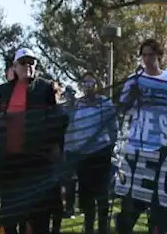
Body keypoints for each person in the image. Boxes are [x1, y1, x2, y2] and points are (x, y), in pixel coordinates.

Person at [0, 49, 68, 234]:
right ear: (15, 67)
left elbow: (60, 120)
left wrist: (55, 150)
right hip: (9, 165)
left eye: (31, 62)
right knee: (8, 218)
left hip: (37, 165)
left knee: (38, 218)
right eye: (23, 62)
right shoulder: (1, 91)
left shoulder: (46, 88)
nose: (28, 66)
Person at [115, 39, 167, 234]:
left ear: (159, 56)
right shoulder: (134, 79)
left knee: (160, 202)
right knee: (131, 201)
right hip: (135, 148)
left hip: (161, 146)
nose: (147, 59)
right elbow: (122, 107)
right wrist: (132, 95)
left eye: (151, 55)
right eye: (144, 55)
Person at [66, 74, 116, 234]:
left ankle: (102, 228)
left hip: (101, 154)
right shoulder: (78, 105)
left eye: (91, 82)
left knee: (102, 194)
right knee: (86, 196)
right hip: (83, 156)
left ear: (97, 84)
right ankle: (88, 227)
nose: (88, 85)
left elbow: (113, 128)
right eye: (85, 82)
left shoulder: (104, 103)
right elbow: (71, 129)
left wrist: (110, 147)